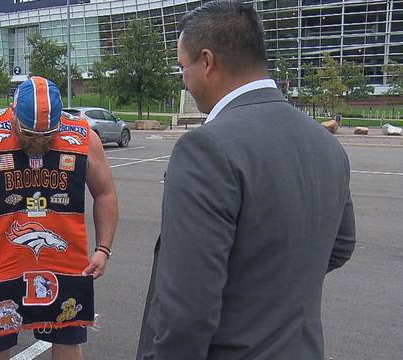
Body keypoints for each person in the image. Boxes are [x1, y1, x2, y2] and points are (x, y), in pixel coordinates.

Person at [137, 1, 356, 359]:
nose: (184, 80)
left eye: (182, 67)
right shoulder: (324, 142)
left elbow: (187, 308)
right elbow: (341, 244)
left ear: (207, 62)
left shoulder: (205, 147)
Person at [0, 76, 117, 360]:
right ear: (13, 113)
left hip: (64, 265)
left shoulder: (82, 137)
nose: (39, 141)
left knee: (68, 340)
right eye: (30, 133)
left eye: (48, 135)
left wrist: (103, 249)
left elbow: (105, 193)